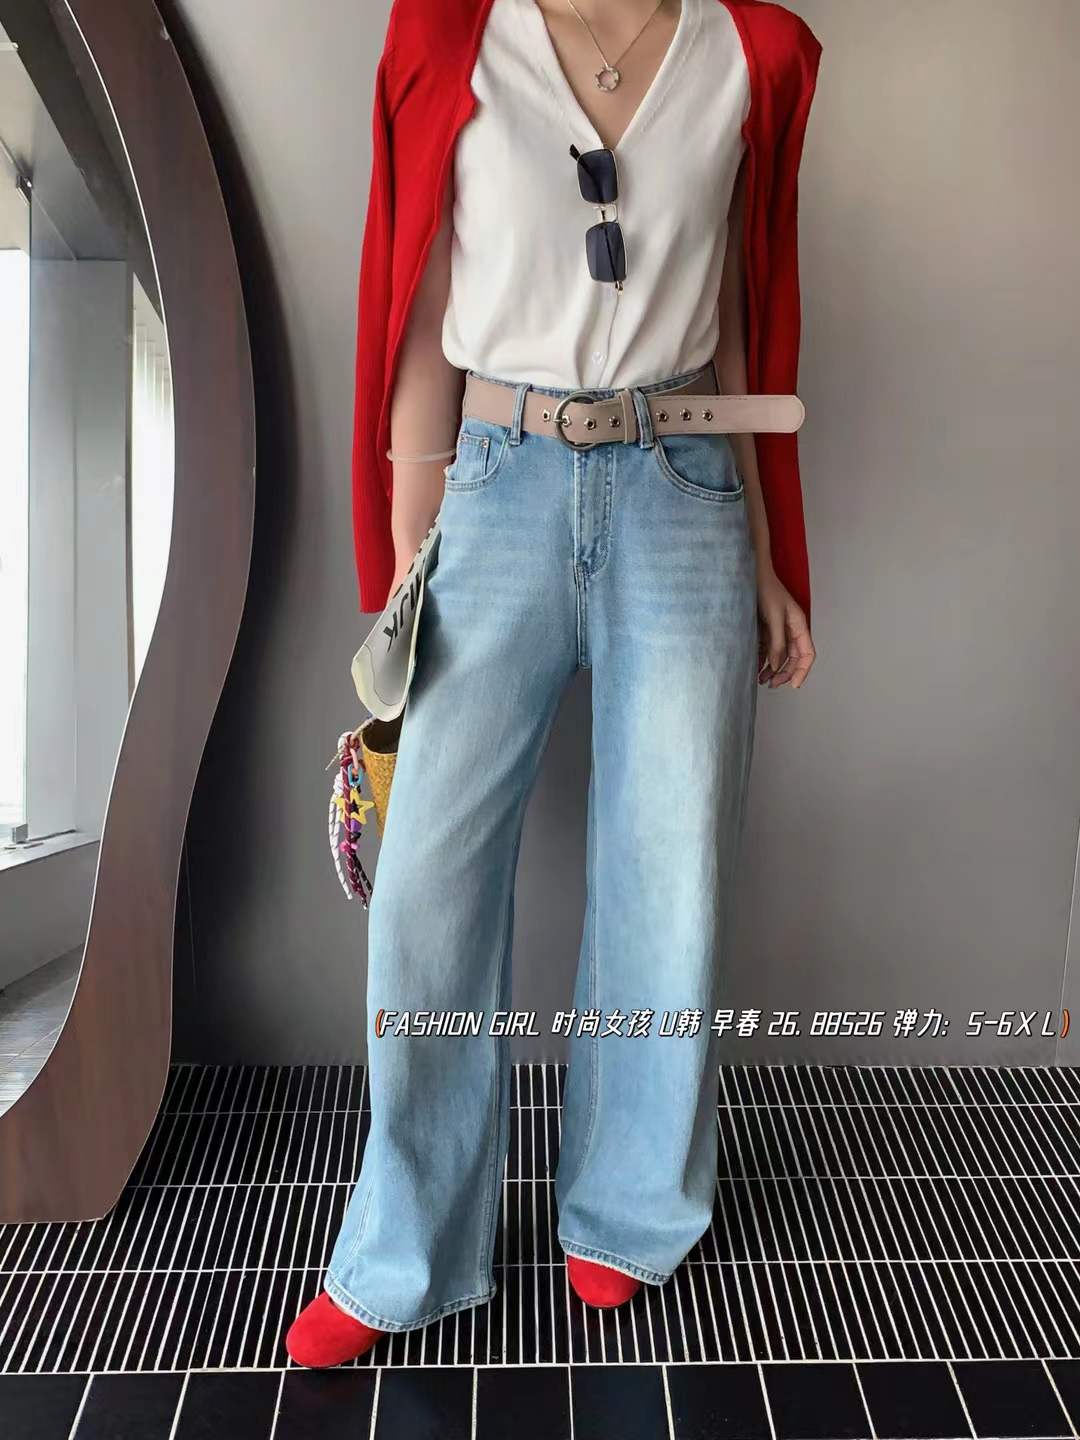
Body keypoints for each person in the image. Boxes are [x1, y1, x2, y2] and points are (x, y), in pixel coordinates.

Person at [286, 0, 822, 1368]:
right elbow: (415, 305)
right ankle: (405, 1249)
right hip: (494, 483)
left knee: (668, 872)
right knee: (428, 883)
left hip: (684, 488)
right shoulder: (447, 31)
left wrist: (771, 549)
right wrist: (414, 557)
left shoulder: (755, 51)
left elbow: (748, 314)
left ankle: (628, 1212)